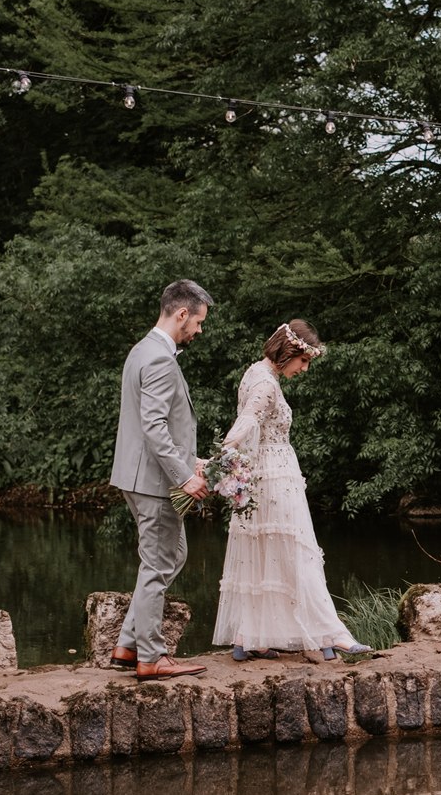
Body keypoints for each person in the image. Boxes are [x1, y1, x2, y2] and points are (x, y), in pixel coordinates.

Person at [211, 319, 370, 661]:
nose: (304, 369)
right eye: (304, 360)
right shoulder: (266, 384)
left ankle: (249, 635)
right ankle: (332, 634)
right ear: (288, 352)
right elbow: (247, 420)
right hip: (275, 478)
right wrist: (220, 458)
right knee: (299, 554)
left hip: (263, 475)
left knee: (264, 554)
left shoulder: (254, 372)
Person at [108, 280, 213, 680]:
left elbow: (149, 425)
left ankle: (127, 644)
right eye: (198, 322)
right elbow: (154, 427)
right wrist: (184, 477)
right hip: (154, 482)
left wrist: (192, 460)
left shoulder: (142, 350)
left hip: (138, 476)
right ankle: (151, 657)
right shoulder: (160, 359)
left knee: (174, 554)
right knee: (156, 565)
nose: (199, 330)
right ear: (182, 314)